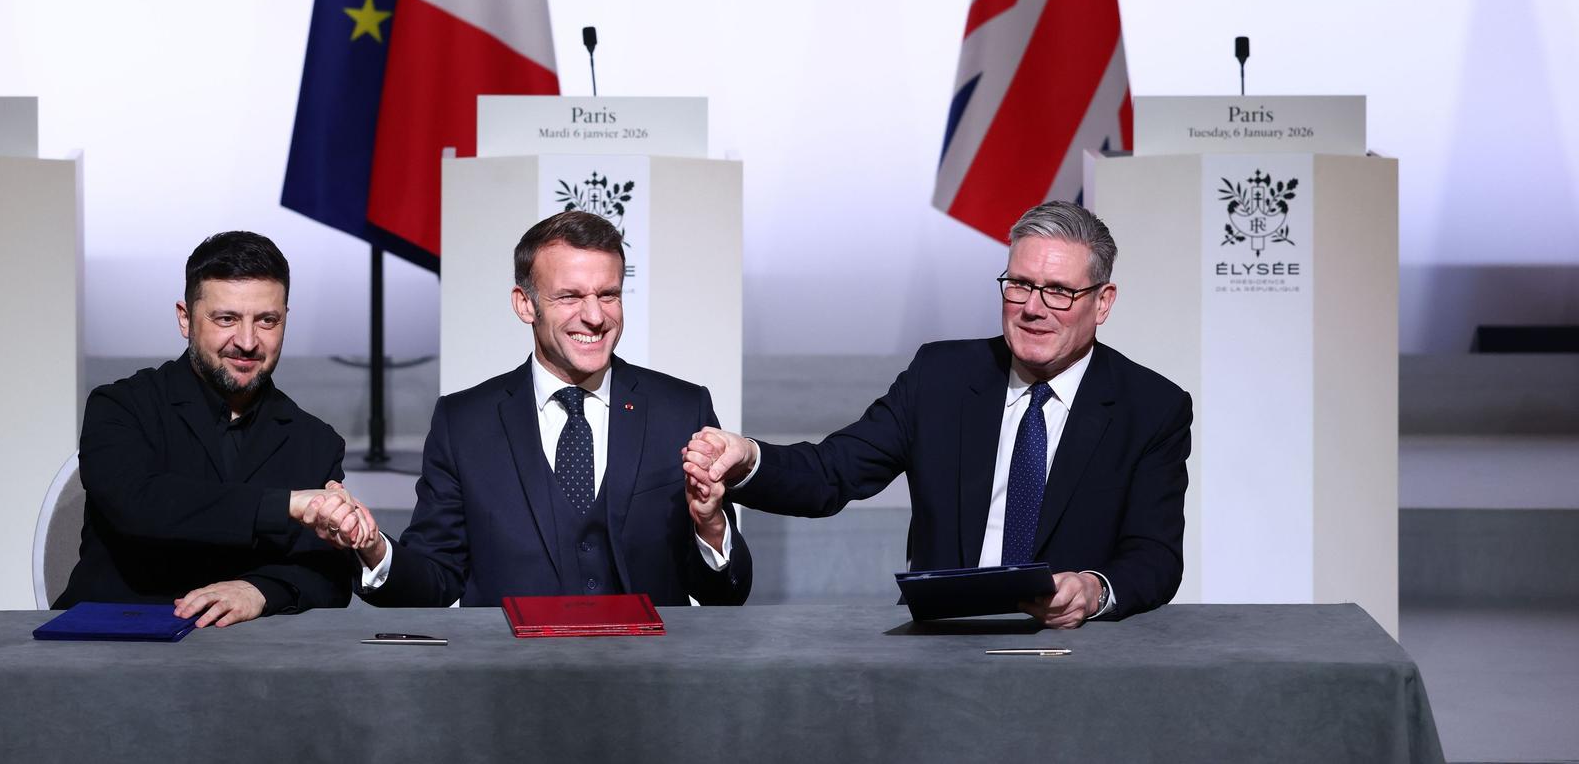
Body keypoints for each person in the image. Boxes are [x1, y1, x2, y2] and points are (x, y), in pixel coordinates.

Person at [683, 201, 1190, 626]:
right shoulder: (942, 377)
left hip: (1074, 652)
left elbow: (1156, 557)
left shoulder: (1150, 407)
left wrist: (1093, 590)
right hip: (942, 647)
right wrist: (748, 456)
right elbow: (830, 474)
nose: (1033, 308)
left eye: (1058, 291)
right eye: (1019, 284)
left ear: (1102, 303)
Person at [302, 211, 751, 607]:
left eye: (608, 294)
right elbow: (434, 581)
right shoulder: (464, 423)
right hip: (507, 689)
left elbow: (724, 593)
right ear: (525, 304)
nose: (595, 316)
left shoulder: (681, 409)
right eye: (570, 297)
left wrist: (711, 527)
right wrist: (374, 549)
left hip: (649, 685)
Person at [55, 231, 372, 626]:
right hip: (113, 643)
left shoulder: (316, 442)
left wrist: (260, 590)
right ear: (185, 319)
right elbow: (141, 506)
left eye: (266, 321)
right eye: (226, 319)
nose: (246, 341)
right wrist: (283, 505)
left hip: (250, 664)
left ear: (285, 319)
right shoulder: (120, 407)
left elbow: (330, 575)